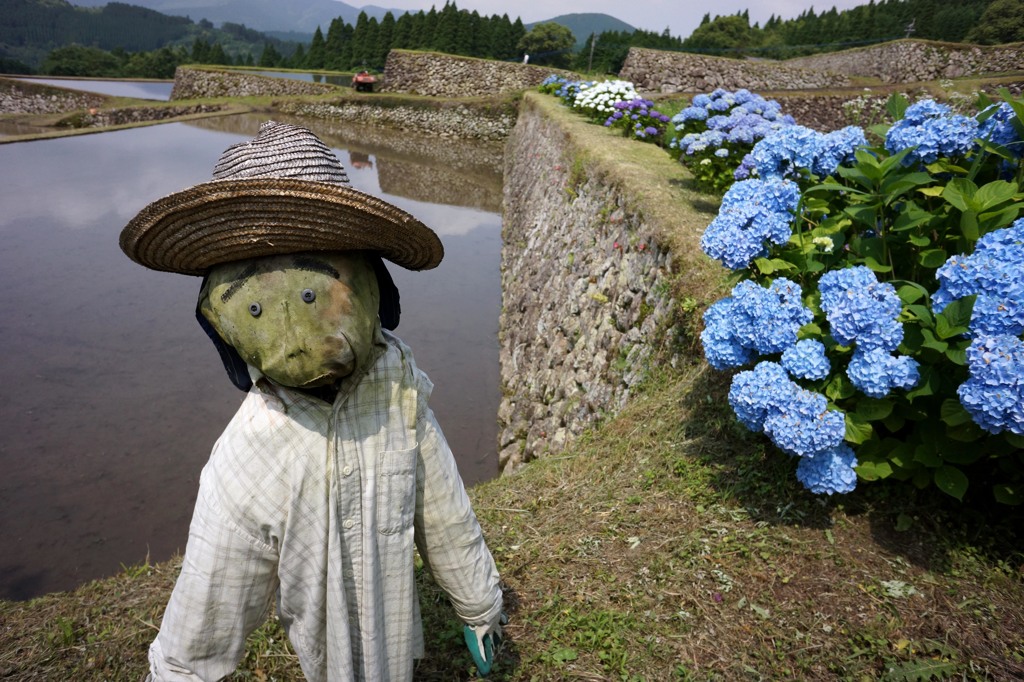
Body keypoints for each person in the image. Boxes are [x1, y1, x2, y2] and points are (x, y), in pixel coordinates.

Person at [120, 121, 504, 681]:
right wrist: (179, 671)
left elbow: (444, 511)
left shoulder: (399, 394)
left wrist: (479, 602)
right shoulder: (251, 452)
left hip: (393, 631)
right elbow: (212, 596)